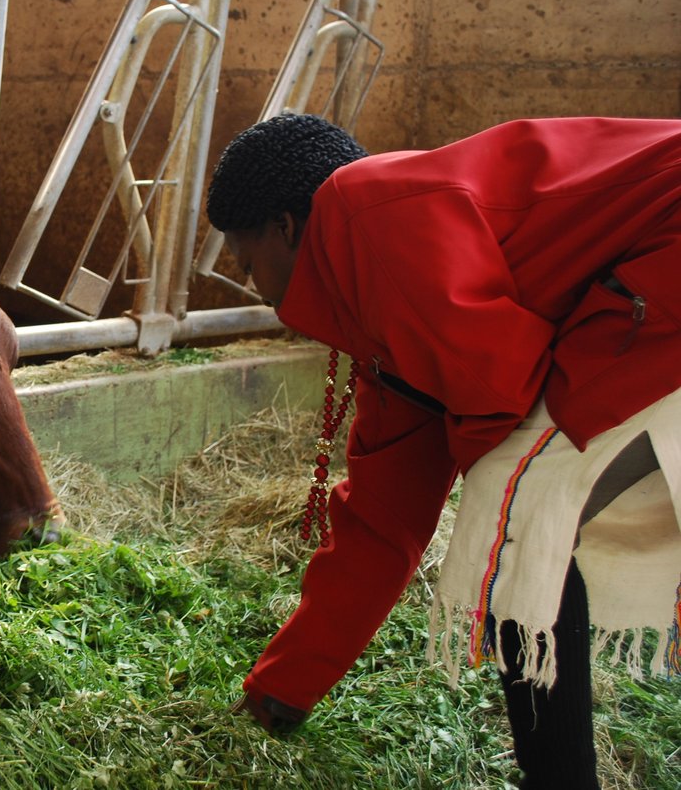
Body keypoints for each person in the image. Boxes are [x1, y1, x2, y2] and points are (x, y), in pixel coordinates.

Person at [204, 114, 681, 789]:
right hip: (648, 280)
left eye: (245, 261)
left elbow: (498, 386)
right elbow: (383, 517)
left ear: (285, 226)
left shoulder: (363, 211)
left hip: (668, 252)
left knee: (518, 519)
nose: (252, 285)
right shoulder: (385, 320)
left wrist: (496, 510)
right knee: (521, 513)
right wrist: (285, 686)